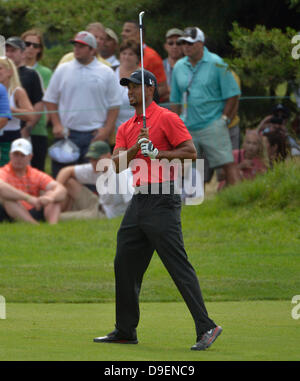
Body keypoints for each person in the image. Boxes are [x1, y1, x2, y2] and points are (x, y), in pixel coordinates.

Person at [93, 69, 222, 351]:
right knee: (124, 263)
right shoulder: (128, 127)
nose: (129, 91)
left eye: (135, 86)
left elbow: (189, 153)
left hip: (163, 197)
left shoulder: (167, 119)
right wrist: (137, 149)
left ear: (150, 89)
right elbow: (116, 164)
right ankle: (126, 330)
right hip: (139, 200)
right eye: (127, 87)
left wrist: (157, 153)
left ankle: (207, 326)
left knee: (177, 264)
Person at [43, 31, 121, 178]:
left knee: (97, 181)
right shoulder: (63, 70)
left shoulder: (106, 72)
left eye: (82, 46)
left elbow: (114, 105)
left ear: (93, 50)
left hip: (95, 135)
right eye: (75, 45)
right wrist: (56, 124)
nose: (76, 49)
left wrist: (107, 129)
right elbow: (50, 99)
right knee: (64, 179)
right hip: (67, 134)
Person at [170, 27, 241, 186]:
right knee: (190, 169)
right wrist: (176, 124)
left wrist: (224, 119)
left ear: (201, 43)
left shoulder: (217, 63)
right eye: (183, 43)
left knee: (226, 163)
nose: (186, 47)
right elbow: (175, 99)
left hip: (213, 123)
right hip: (187, 126)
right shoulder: (179, 67)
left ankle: (239, 197)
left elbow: (233, 94)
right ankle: (194, 204)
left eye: (190, 43)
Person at [56, 140, 133, 220]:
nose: (93, 162)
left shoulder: (121, 172)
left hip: (105, 214)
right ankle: (57, 209)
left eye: (96, 159)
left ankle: (55, 214)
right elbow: (66, 171)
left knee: (58, 218)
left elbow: (133, 202)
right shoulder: (98, 168)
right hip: (97, 204)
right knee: (69, 182)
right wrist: (55, 192)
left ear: (108, 156)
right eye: (91, 159)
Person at [0, 138, 66, 224]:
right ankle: (34, 225)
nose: (18, 158)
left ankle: (52, 226)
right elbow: (1, 187)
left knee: (53, 196)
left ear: (30, 157)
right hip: (10, 211)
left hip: (33, 208)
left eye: (22, 155)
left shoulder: (35, 174)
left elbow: (61, 189)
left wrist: (50, 198)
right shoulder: (3, 171)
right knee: (8, 198)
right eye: (16, 155)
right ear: (10, 155)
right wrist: (29, 198)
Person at [5, 36, 44, 170]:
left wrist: (28, 128)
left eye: (13, 51)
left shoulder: (31, 74)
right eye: (7, 50)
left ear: (22, 53)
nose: (9, 54)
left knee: (21, 170)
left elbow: (38, 104)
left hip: (20, 132)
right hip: (4, 131)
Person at [21, 29, 53, 171]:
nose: (30, 48)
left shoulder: (45, 72)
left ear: (40, 50)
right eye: (27, 44)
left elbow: (42, 101)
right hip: (14, 127)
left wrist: (29, 127)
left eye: (35, 45)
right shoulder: (10, 69)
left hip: (37, 129)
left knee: (36, 172)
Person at [121, 20, 169, 102]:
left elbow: (163, 88)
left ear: (139, 34)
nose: (123, 34)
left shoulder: (152, 56)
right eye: (123, 30)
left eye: (127, 31)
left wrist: (142, 98)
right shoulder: (123, 54)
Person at [0, 57, 34, 166]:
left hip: (11, 139)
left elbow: (31, 115)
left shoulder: (17, 91)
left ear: (10, 72)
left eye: (0, 68)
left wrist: (7, 108)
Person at [114, 39, 141, 138]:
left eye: (131, 54)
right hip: (116, 133)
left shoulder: (144, 76)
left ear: (138, 57)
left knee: (136, 153)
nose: (126, 57)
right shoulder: (111, 73)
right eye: (124, 53)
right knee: (121, 154)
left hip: (138, 130)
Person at [163, 28, 184, 93]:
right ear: (165, 46)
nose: (174, 46)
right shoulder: (160, 66)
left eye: (178, 43)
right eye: (171, 43)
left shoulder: (190, 65)